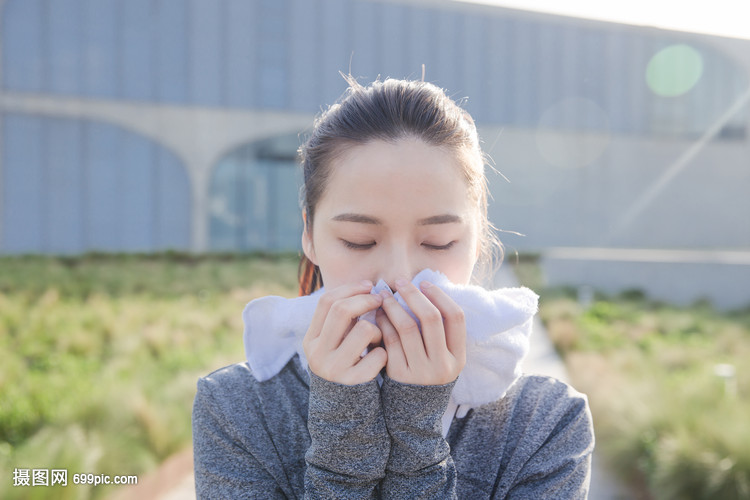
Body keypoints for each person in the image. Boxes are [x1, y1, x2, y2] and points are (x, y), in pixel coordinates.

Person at [192, 77, 594, 499]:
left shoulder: (546, 422)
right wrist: (342, 443)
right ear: (309, 236)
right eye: (359, 241)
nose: (398, 278)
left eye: (438, 243)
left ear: (476, 240)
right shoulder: (237, 408)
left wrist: (416, 439)